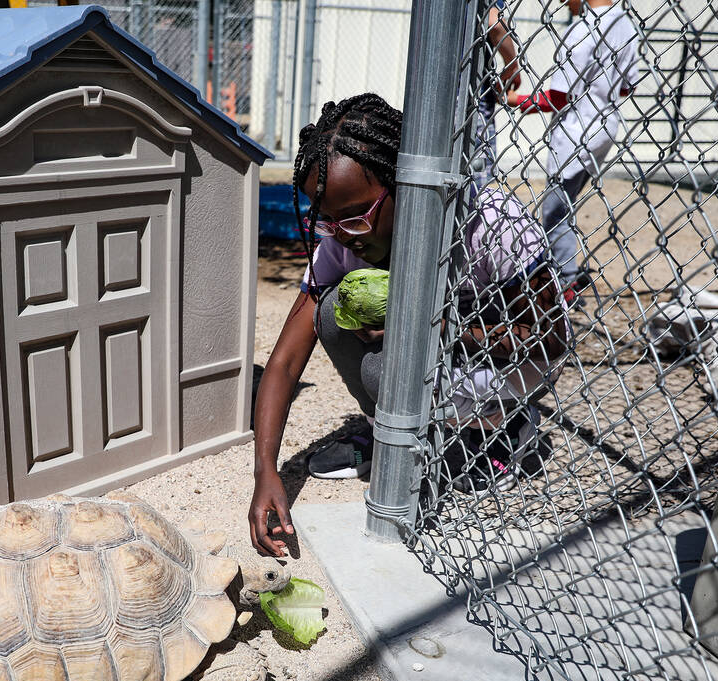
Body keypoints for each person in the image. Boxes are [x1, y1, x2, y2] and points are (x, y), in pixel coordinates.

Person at [248, 93, 569, 558]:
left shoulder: (492, 225)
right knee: (331, 309)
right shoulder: (342, 240)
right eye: (329, 222)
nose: (343, 235)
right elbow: (285, 360)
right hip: (437, 362)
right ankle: (393, 437)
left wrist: (434, 328)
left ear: (406, 184)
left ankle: (500, 430)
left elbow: (550, 338)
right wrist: (266, 471)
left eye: (355, 217)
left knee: (385, 369)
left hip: (504, 363)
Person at [506, 0, 639, 293]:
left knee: (555, 214)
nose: (564, 2)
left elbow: (557, 97)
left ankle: (564, 285)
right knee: (563, 208)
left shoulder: (583, 27)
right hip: (605, 127)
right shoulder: (626, 25)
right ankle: (555, 272)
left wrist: (516, 100)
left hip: (576, 133)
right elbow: (628, 86)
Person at [473, 1, 523, 189]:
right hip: (472, 94)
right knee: (477, 179)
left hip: (433, 92)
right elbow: (494, 22)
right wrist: (512, 67)